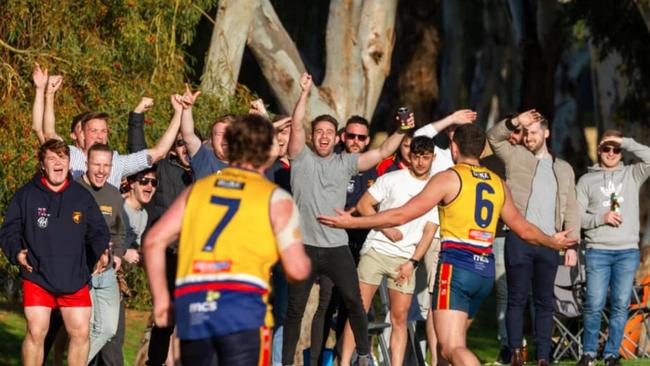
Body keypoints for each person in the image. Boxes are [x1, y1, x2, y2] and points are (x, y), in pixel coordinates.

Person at [318, 123, 577, 366]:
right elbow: (525, 229)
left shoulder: (449, 178)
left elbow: (401, 214)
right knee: (447, 348)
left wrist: (351, 223)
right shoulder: (498, 184)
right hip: (483, 272)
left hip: (456, 268)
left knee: (451, 347)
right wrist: (551, 241)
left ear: (454, 148)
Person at [144, 114, 311, 366]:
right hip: (243, 309)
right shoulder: (275, 199)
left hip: (197, 305)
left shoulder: (198, 190)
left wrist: (161, 301)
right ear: (268, 152)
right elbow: (297, 270)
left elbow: (153, 240)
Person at [281, 73, 413, 366]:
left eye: (329, 131)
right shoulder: (300, 158)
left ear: (336, 136)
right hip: (303, 247)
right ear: (312, 136)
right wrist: (303, 93)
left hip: (336, 248)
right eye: (319, 131)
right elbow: (297, 125)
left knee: (355, 302)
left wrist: (403, 130)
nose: (324, 136)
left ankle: (364, 355)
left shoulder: (345, 163)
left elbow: (381, 151)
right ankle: (287, 362)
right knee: (295, 309)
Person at [0, 139, 110, 366]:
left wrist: (102, 252)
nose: (58, 163)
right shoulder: (26, 196)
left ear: (69, 162)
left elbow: (98, 231)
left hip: (74, 277)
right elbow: (9, 231)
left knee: (80, 334)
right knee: (36, 331)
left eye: (62, 157)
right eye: (51, 158)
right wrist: (17, 253)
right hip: (37, 275)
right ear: (42, 164)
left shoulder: (82, 196)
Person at [487, 110, 579, 366]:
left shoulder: (563, 168)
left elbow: (572, 207)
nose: (528, 138)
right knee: (516, 298)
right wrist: (516, 122)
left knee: (544, 302)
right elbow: (493, 138)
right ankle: (516, 353)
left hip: (551, 242)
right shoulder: (515, 157)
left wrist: (572, 244)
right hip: (519, 239)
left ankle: (543, 357)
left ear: (546, 133)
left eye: (534, 133)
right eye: (526, 133)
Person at [340, 136, 439, 365]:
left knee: (400, 318)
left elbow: (429, 232)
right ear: (409, 156)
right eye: (416, 156)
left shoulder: (435, 188)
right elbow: (364, 205)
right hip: (376, 250)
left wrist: (413, 262)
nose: (421, 162)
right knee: (358, 310)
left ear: (433, 157)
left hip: (405, 259)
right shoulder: (392, 178)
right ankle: (343, 362)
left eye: (426, 157)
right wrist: (385, 228)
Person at [575, 131, 650, 366]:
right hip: (598, 250)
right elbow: (577, 219)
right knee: (594, 304)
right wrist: (601, 217)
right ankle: (588, 354)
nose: (611, 153)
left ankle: (611, 355)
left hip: (627, 252)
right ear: (599, 150)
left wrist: (626, 142)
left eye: (615, 149)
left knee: (620, 305)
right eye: (606, 148)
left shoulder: (632, 174)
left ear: (621, 151)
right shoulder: (586, 180)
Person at [33, 74, 183, 188]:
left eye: (103, 131)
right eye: (94, 131)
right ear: (82, 134)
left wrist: (179, 112)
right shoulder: (70, 154)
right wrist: (49, 94)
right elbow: (49, 133)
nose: (99, 136)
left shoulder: (117, 162)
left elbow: (160, 152)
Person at [74, 143, 127, 364]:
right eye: (97, 164)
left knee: (107, 328)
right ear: (87, 164)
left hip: (106, 273)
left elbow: (119, 231)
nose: (101, 170)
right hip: (80, 271)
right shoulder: (73, 190)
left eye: (106, 165)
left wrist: (118, 254)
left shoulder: (114, 195)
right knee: (84, 329)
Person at [480, 125, 524, 364]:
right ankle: (507, 346)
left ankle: (538, 348)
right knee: (504, 293)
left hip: (526, 234)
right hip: (499, 235)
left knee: (529, 292)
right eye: (511, 133)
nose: (515, 138)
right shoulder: (489, 163)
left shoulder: (532, 161)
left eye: (518, 134)